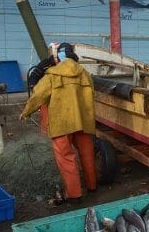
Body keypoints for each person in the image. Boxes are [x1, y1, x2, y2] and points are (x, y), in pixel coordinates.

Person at [20, 43, 97, 205]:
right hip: (83, 121)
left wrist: (26, 111)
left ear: (59, 56)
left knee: (66, 158)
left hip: (62, 123)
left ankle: (75, 195)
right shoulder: (85, 73)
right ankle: (92, 186)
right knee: (87, 153)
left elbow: (38, 95)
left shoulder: (52, 75)